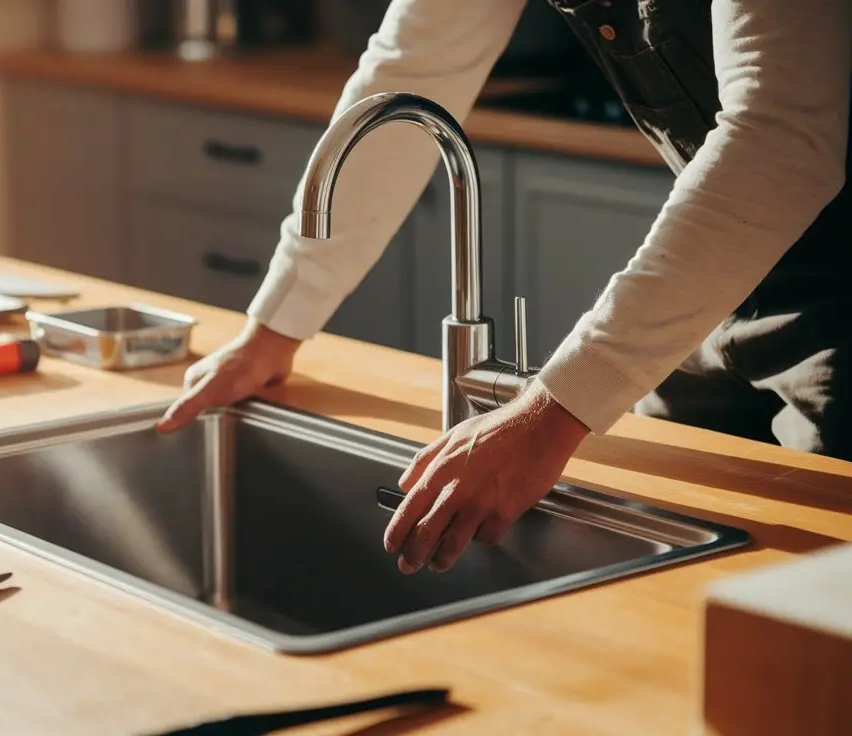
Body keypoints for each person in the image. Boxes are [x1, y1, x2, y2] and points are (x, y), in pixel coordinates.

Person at [153, 0, 851, 575]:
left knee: (808, 621)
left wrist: (550, 410)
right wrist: (277, 326)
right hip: (721, 279)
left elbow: (781, 138)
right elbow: (412, 71)